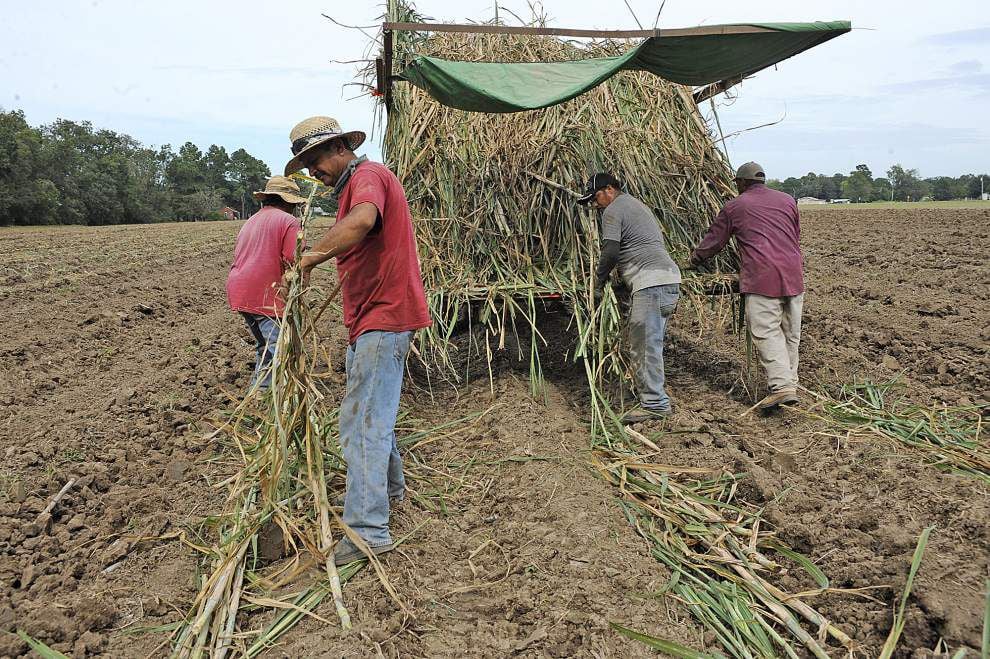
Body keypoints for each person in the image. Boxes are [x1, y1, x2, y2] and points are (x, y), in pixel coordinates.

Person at [284, 116, 432, 566]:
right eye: (307, 166)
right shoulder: (352, 186)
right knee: (367, 416)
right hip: (371, 319)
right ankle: (390, 490)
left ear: (341, 148)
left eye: (315, 161)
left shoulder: (368, 176)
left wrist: (311, 257)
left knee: (364, 422)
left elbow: (363, 221)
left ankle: (368, 530)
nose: (313, 173)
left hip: (383, 319)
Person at [689, 162, 804, 410]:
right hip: (794, 275)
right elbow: (794, 235)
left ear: (741, 183)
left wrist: (694, 260)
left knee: (766, 331)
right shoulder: (787, 201)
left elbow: (715, 241)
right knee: (790, 333)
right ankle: (789, 384)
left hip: (763, 277)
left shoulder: (735, 206)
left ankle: (782, 387)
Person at [578, 173, 682, 424]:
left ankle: (655, 403)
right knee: (650, 343)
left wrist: (598, 280)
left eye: (595, 198)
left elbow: (611, 250)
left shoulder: (614, 209)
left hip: (651, 284)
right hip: (667, 280)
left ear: (609, 189)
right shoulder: (637, 205)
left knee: (644, 345)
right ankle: (653, 397)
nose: (595, 204)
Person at [226, 176, 306, 390]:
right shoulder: (289, 221)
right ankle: (273, 397)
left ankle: (261, 391)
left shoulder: (251, 220)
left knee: (266, 344)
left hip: (240, 290)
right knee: (281, 348)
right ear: (288, 202)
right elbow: (293, 258)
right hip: (265, 293)